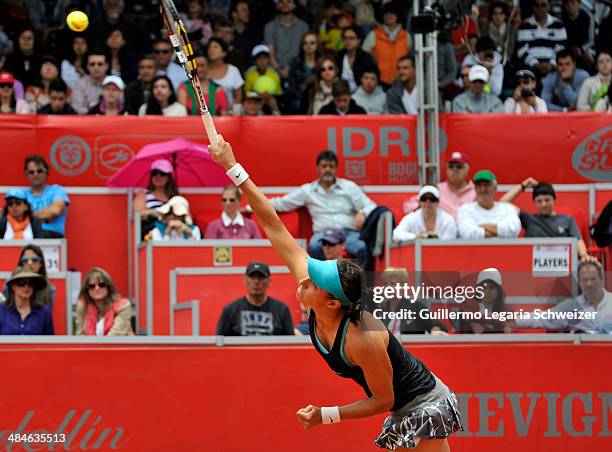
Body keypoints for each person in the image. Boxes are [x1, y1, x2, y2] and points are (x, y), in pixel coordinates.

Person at [209, 134, 462, 450]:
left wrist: (325, 415)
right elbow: (272, 223)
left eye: (313, 282)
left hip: (422, 403)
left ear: (332, 301)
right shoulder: (324, 295)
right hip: (402, 407)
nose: (303, 281)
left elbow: (384, 399)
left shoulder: (364, 337)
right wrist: (233, 168)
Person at [267, 150, 376, 268]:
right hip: (323, 234)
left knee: (362, 247)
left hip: (347, 233)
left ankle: (360, 284)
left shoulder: (349, 187)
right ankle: (322, 283)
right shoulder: (307, 191)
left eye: (331, 166)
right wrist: (251, 206)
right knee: (314, 246)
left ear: (336, 168)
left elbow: (371, 206)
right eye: (324, 166)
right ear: (318, 168)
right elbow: (282, 203)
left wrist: (362, 212)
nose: (328, 169)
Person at [500, 179, 596, 262]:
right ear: (534, 202)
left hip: (562, 267)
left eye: (547, 200)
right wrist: (522, 186)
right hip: (532, 268)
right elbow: (502, 205)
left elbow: (578, 240)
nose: (544, 204)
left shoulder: (568, 219)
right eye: (539, 201)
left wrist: (584, 256)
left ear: (554, 199)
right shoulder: (528, 219)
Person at [515, 261, 611, 334]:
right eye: (584, 280)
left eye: (593, 279)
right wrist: (514, 320)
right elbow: (541, 318)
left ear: (602, 280)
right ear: (580, 283)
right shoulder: (571, 306)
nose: (589, 284)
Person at [216, 262, 294, 336]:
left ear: (269, 282)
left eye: (261, 277)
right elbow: (219, 344)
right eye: (252, 277)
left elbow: (291, 345)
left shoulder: (282, 310)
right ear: (245, 280)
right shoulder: (230, 310)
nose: (256, 282)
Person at [402, 152, 476, 219]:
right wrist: (425, 206)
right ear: (447, 170)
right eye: (451, 166)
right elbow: (408, 207)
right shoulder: (437, 189)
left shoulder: (476, 191)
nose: (454, 169)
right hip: (442, 230)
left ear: (467, 169)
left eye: (459, 166)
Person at [378, 268, 448, 336]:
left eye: (393, 284)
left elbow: (435, 325)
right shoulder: (379, 309)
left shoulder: (416, 306)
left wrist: (435, 331)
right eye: (385, 284)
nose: (388, 287)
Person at [457, 170, 521, 239]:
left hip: (503, 249)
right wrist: (501, 231)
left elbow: (513, 231)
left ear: (495, 188)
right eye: (479, 186)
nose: (483, 189)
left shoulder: (508, 208)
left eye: (487, 185)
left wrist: (479, 228)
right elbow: (469, 234)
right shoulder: (465, 209)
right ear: (475, 189)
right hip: (475, 249)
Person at [362, 2, 410, 87]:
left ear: (397, 15)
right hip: (379, 84)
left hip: (403, 82)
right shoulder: (373, 34)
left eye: (392, 14)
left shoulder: (406, 36)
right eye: (386, 14)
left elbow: (411, 58)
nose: (389, 16)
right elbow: (363, 56)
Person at [75, 267, 133, 336]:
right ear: (86, 289)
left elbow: (115, 336)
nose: (97, 288)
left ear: (109, 287)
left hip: (119, 346)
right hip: (92, 346)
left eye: (101, 285)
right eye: (92, 286)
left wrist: (94, 346)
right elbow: (80, 335)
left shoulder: (123, 306)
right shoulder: (82, 307)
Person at [516, 0, 567, 78]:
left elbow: (561, 49)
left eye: (543, 5)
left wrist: (552, 64)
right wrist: (536, 64)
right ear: (532, 7)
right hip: (531, 67)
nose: (540, 8)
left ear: (549, 6)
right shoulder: (524, 25)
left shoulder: (558, 24)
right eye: (536, 5)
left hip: (554, 67)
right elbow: (521, 51)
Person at [24, 155, 70, 238]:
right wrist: (45, 217)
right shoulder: (22, 195)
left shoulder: (56, 190)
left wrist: (28, 217)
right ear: (26, 174)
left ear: (46, 172)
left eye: (39, 171)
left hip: (51, 235)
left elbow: (55, 211)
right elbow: (13, 217)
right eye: (31, 172)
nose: (35, 174)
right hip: (27, 235)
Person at [133, 159, 179, 240]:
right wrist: (155, 213)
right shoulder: (144, 194)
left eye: (162, 173)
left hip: (173, 230)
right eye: (154, 173)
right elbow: (138, 214)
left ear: (169, 176)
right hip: (151, 231)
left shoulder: (175, 197)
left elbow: (186, 216)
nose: (158, 176)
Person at [457, 268, 513, 334]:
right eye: (483, 288)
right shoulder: (468, 306)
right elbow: (467, 315)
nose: (487, 292)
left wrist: (507, 327)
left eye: (492, 287)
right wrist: (472, 324)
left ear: (498, 290)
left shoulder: (507, 310)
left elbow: (511, 326)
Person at [0, 266, 54, 335]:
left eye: (30, 283)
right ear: (12, 286)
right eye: (21, 283)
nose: (26, 286)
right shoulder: (1, 310)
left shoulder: (44, 312)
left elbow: (50, 342)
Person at [264, 0, 309, 80]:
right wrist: (278, 69)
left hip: (298, 68)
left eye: (288, 1)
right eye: (281, 1)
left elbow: (306, 52)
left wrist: (292, 68)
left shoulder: (303, 27)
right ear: (277, 5)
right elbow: (270, 54)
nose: (285, 4)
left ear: (294, 5)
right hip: (275, 69)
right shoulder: (269, 26)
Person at [335, 25, 377, 93]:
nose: (348, 41)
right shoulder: (338, 56)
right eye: (345, 38)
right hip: (341, 93)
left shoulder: (366, 58)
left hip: (362, 93)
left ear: (359, 40)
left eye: (352, 38)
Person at [287, 32, 320, 114]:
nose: (309, 46)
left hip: (320, 95)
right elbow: (292, 87)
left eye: (312, 43)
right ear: (302, 46)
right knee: (297, 104)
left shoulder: (322, 61)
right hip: (300, 97)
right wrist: (304, 85)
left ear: (317, 45)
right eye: (305, 43)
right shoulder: (295, 62)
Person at [243, 44, 282, 114]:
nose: (262, 61)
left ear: (269, 59)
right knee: (255, 102)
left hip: (271, 98)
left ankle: (277, 118)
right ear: (254, 61)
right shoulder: (249, 74)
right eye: (259, 59)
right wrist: (259, 95)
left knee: (272, 101)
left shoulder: (274, 74)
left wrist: (268, 96)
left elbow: (278, 93)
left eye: (264, 58)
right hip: (255, 100)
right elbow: (247, 92)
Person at [206, 37, 244, 107]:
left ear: (224, 53)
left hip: (229, 113)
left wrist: (229, 109)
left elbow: (239, 96)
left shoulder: (233, 70)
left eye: (215, 47)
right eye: (209, 48)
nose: (211, 50)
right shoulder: (203, 71)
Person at [71, 49, 108, 114]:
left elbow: (121, 106)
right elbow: (77, 109)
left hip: (111, 121)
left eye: (100, 64)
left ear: (106, 66)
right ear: (87, 66)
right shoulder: (80, 84)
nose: (96, 67)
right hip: (87, 122)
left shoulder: (115, 83)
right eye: (92, 64)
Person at [561, 0, 595, 70]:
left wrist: (581, 49)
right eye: (567, 3)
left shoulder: (588, 17)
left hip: (584, 48)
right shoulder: (561, 18)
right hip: (567, 48)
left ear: (579, 4)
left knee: (589, 56)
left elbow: (591, 40)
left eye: (573, 2)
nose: (570, 6)